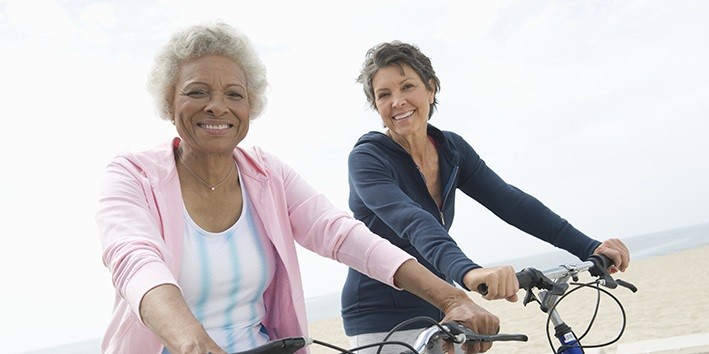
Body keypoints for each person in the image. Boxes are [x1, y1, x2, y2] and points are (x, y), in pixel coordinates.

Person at [95, 22, 501, 354]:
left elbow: (344, 235)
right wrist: (195, 345)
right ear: (169, 101)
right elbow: (136, 261)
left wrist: (451, 298)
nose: (217, 106)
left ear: (249, 106)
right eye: (197, 92)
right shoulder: (132, 175)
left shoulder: (268, 175)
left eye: (233, 94)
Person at [340, 40, 631, 351]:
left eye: (407, 86)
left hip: (443, 306)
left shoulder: (451, 149)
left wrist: (588, 247)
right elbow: (414, 222)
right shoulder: (368, 159)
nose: (397, 101)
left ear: (431, 89)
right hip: (383, 316)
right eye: (384, 95)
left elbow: (509, 202)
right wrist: (468, 271)